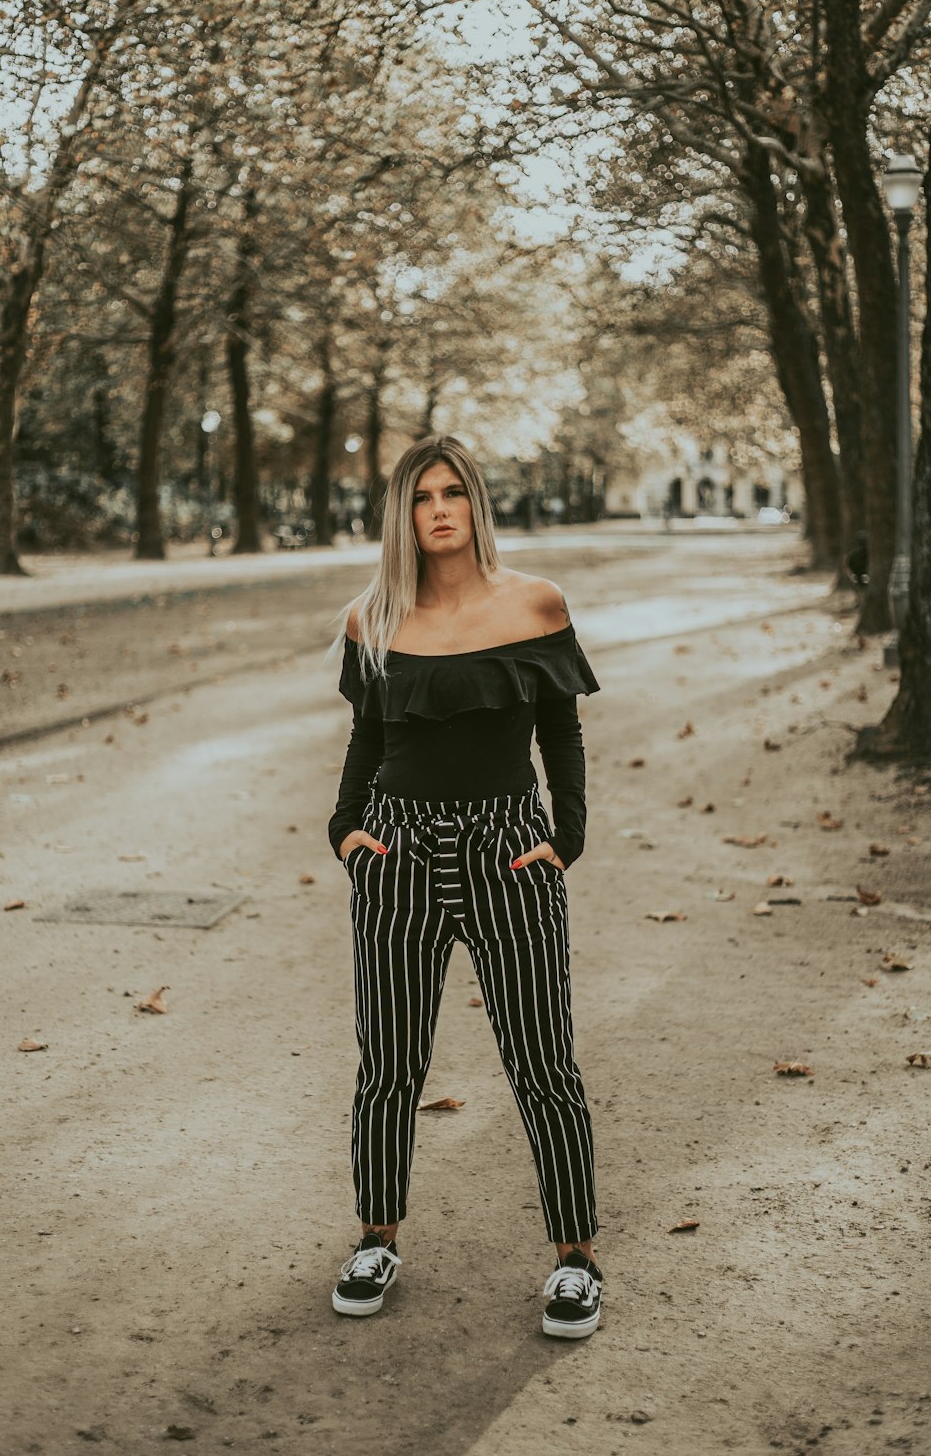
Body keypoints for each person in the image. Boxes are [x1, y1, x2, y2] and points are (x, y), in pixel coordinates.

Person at [327, 435, 603, 1339]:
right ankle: (376, 1238)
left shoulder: (536, 603)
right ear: (401, 514)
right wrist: (347, 832)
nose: (438, 509)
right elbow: (369, 741)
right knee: (390, 1064)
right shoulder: (372, 617)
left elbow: (560, 733)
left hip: (509, 849)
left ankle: (575, 1260)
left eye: (453, 493)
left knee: (542, 1063)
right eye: (419, 496)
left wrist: (565, 836)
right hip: (398, 853)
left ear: (476, 504)